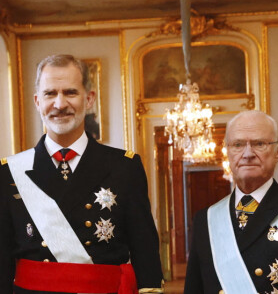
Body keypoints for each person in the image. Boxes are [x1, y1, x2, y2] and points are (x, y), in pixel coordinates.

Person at [0, 54, 164, 294]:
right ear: (37, 101)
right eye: (50, 94)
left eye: (70, 92)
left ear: (89, 100)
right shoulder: (9, 173)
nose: (59, 104)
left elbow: (145, 251)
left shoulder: (125, 167)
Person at [184, 110, 278, 294]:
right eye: (237, 144)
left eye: (259, 143)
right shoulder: (205, 219)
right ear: (227, 151)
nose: (247, 154)